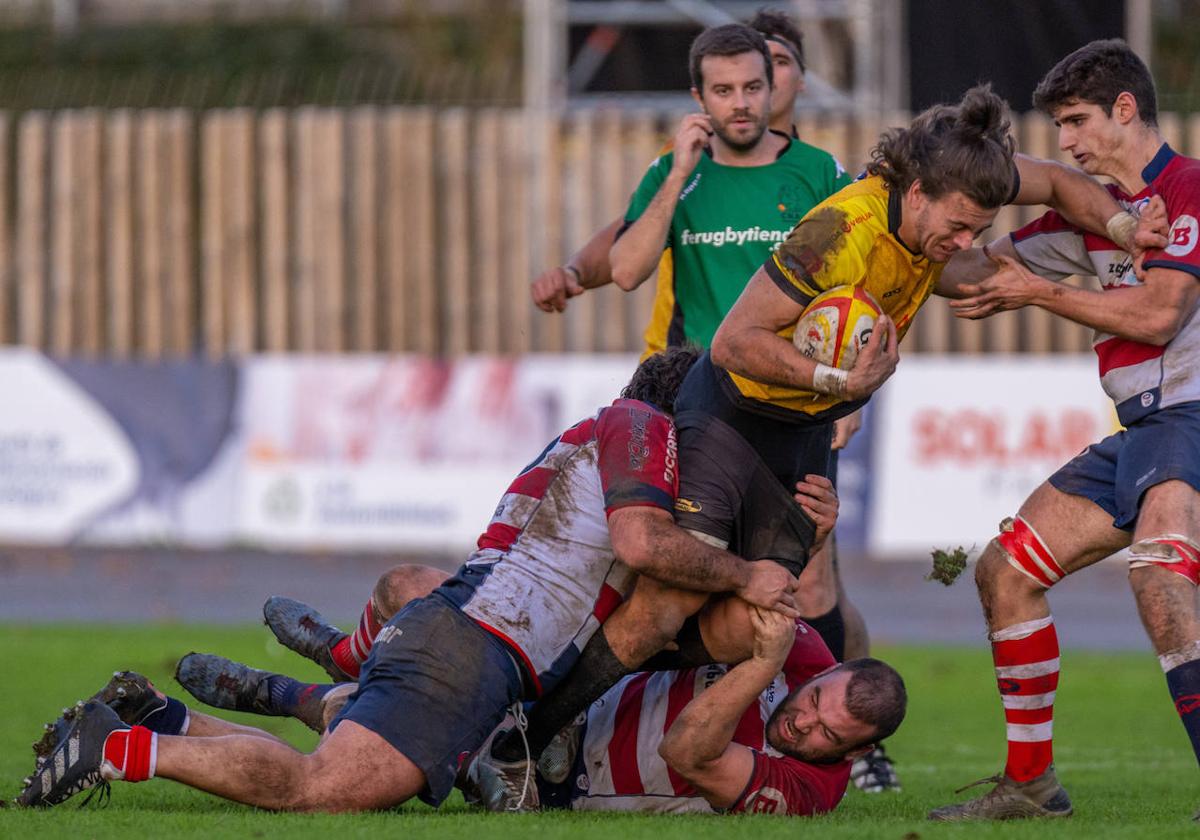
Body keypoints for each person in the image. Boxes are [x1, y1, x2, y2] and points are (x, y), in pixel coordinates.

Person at [13, 348, 805, 812]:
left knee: (342, 741)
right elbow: (644, 542)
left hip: (460, 633)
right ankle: (115, 747)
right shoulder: (645, 425)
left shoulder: (591, 436)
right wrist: (746, 569)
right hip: (474, 650)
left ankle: (159, 717)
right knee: (312, 789)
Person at [928, 39, 1200, 821]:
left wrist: (1038, 296)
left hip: (1191, 420)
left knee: (1159, 571)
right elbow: (966, 276)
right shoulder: (1090, 219)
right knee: (1003, 573)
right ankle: (1032, 787)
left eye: (1076, 121)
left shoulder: (1188, 190)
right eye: (1057, 125)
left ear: (1125, 109)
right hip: (1142, 432)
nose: (1067, 143)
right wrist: (915, 224)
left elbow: (1156, 316)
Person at [172, 603, 904, 816]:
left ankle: (283, 692)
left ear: (852, 753)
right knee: (426, 614)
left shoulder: (812, 791)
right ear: (827, 674)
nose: (801, 723)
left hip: (554, 786)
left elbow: (690, 752)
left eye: (823, 734)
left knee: (385, 749)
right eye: (812, 704)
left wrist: (766, 664)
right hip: (566, 705)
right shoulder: (807, 653)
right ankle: (344, 655)